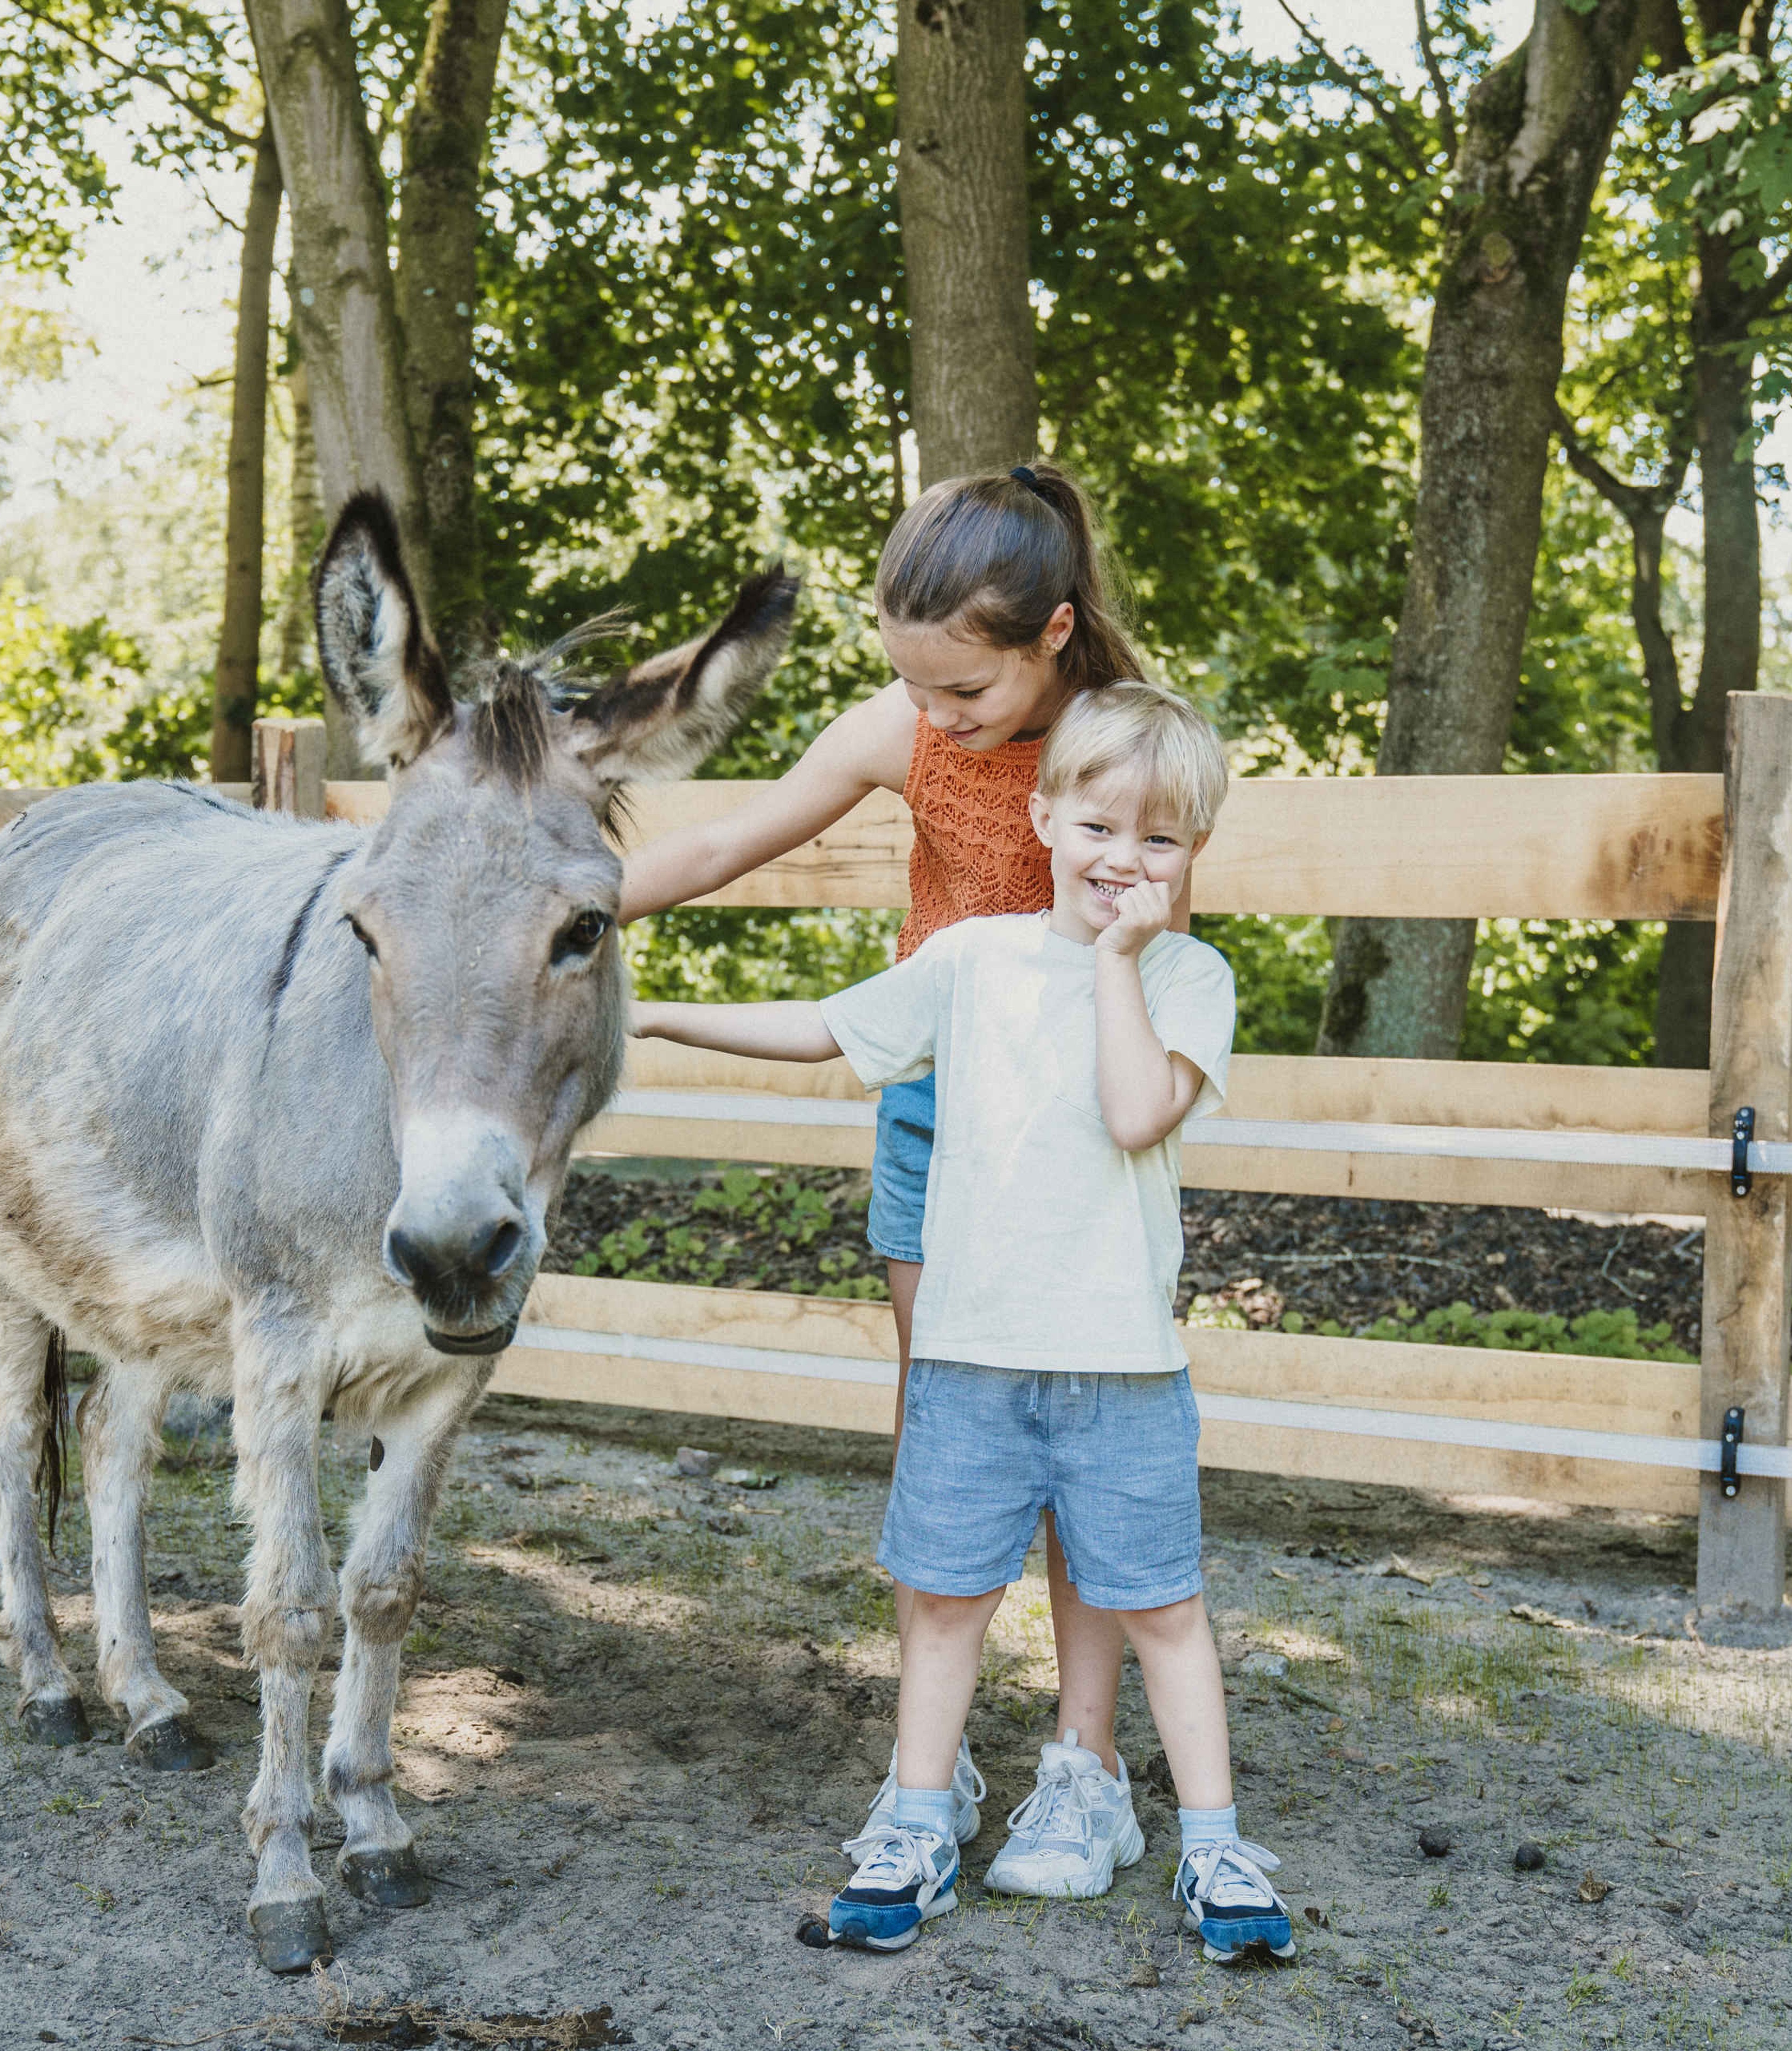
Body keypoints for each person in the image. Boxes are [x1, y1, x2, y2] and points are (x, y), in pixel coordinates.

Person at [630, 682, 1295, 1962]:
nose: (1125, 860)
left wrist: (1114, 960)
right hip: (970, 1360)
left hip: (1124, 1372)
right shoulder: (970, 961)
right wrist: (651, 1015)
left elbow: (1132, 1112)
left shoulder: (1191, 979)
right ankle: (917, 1826)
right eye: (1100, 826)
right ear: (1043, 815)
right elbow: (827, 1031)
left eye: (1161, 841)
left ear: (1193, 856)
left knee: (1163, 1605)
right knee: (942, 1600)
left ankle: (1215, 1848)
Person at [621, 461, 1176, 1894]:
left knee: (1078, 1442)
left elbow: (1147, 969)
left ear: (1053, 634)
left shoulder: (1122, 757)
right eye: (914, 688)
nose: (936, 720)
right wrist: (548, 896)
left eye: (965, 696)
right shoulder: (902, 726)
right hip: (935, 1116)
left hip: (1072, 1134)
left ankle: (1087, 1764)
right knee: (956, 1428)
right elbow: (722, 840)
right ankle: (936, 1762)